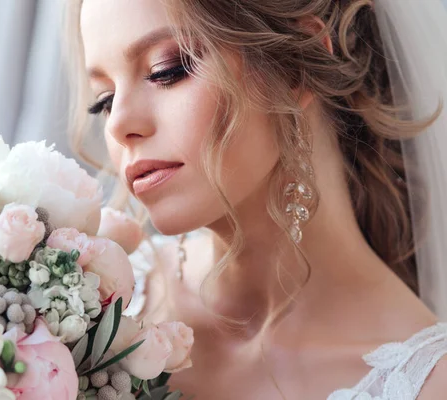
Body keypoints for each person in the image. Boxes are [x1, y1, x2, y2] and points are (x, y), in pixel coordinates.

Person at [65, 0, 447, 398]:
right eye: (104, 99)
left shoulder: (426, 386)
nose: (119, 124)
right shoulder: (93, 301)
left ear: (296, 66)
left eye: (167, 71)